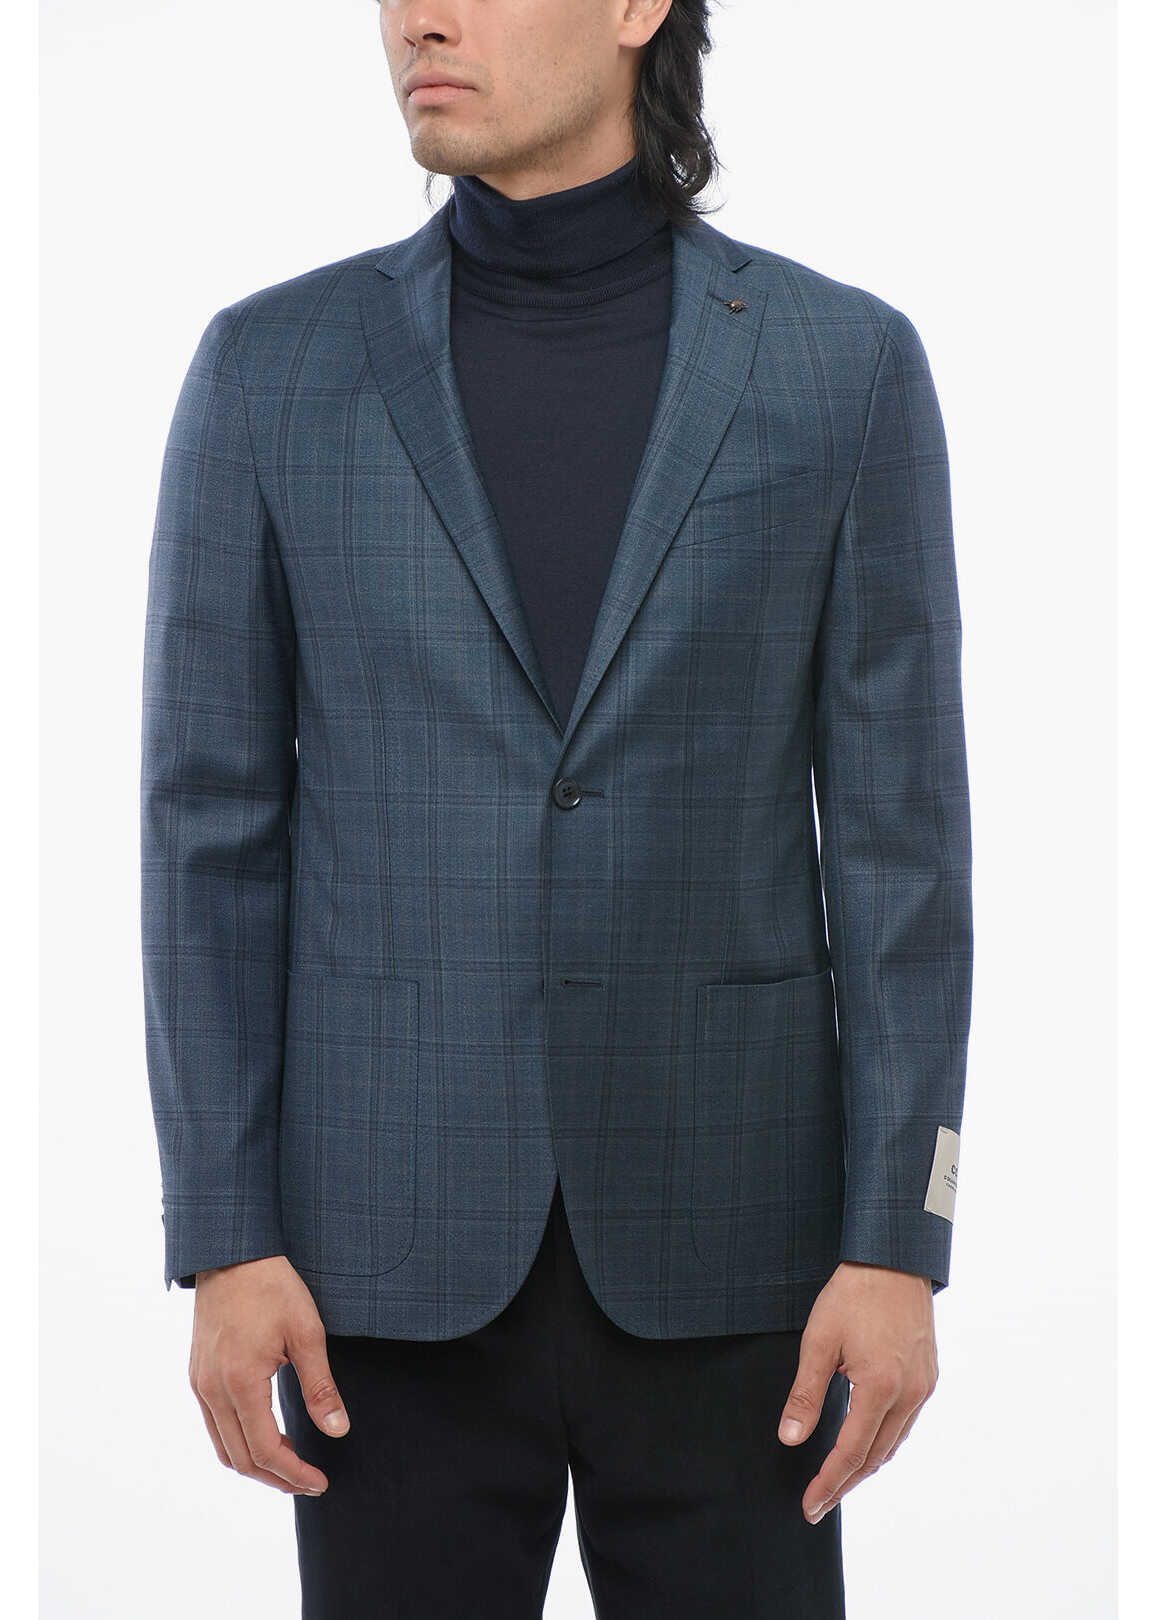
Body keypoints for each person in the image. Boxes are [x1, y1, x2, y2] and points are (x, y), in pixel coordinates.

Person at [139, 3, 973, 1616]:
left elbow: (901, 849)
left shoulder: (840, 366)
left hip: (742, 1258)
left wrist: (898, 1239)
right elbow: (207, 834)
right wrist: (224, 1234)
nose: (418, 19)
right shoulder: (271, 368)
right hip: (377, 1266)